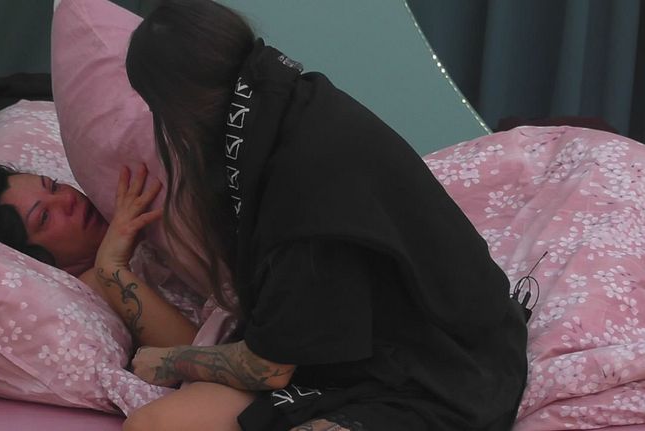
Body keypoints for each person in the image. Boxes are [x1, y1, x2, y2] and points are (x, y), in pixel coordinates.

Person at [123, 1, 528, 430]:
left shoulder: (297, 179)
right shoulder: (284, 99)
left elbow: (268, 368)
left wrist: (172, 361)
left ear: (179, 112)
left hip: (444, 367)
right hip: (352, 349)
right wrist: (111, 266)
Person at [0, 164, 198, 348]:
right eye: (44, 217)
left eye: (54, 186)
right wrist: (111, 266)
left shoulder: (120, 220)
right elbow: (195, 350)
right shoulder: (96, 284)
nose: (68, 198)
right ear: (35, 259)